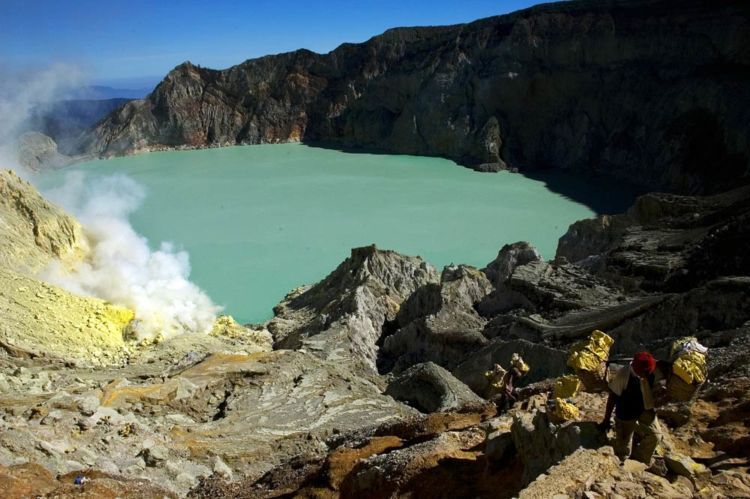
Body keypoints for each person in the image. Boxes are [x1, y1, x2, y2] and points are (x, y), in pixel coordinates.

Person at [599, 351, 661, 464]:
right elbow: (612, 397)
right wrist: (606, 419)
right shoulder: (623, 374)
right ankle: (625, 462)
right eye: (644, 374)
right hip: (626, 414)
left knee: (656, 436)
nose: (646, 376)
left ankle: (640, 460)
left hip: (645, 409)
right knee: (623, 452)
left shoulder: (652, 370)